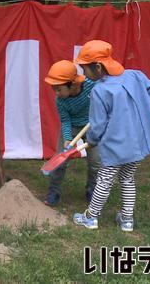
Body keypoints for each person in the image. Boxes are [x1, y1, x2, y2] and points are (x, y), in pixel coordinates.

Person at [72, 40, 150, 232]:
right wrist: (148, 108)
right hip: (138, 143)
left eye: (84, 69)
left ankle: (91, 217)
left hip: (116, 145)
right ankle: (127, 220)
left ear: (97, 67)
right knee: (128, 178)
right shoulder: (134, 75)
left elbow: (97, 125)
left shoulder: (99, 90)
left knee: (104, 180)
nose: (83, 74)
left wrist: (93, 140)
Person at [42, 60, 101, 206]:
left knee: (95, 162)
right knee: (60, 161)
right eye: (53, 89)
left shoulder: (91, 85)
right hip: (73, 126)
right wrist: (68, 138)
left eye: (58, 89)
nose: (56, 93)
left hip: (91, 125)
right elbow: (65, 121)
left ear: (73, 84)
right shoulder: (60, 101)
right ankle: (54, 191)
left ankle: (92, 188)